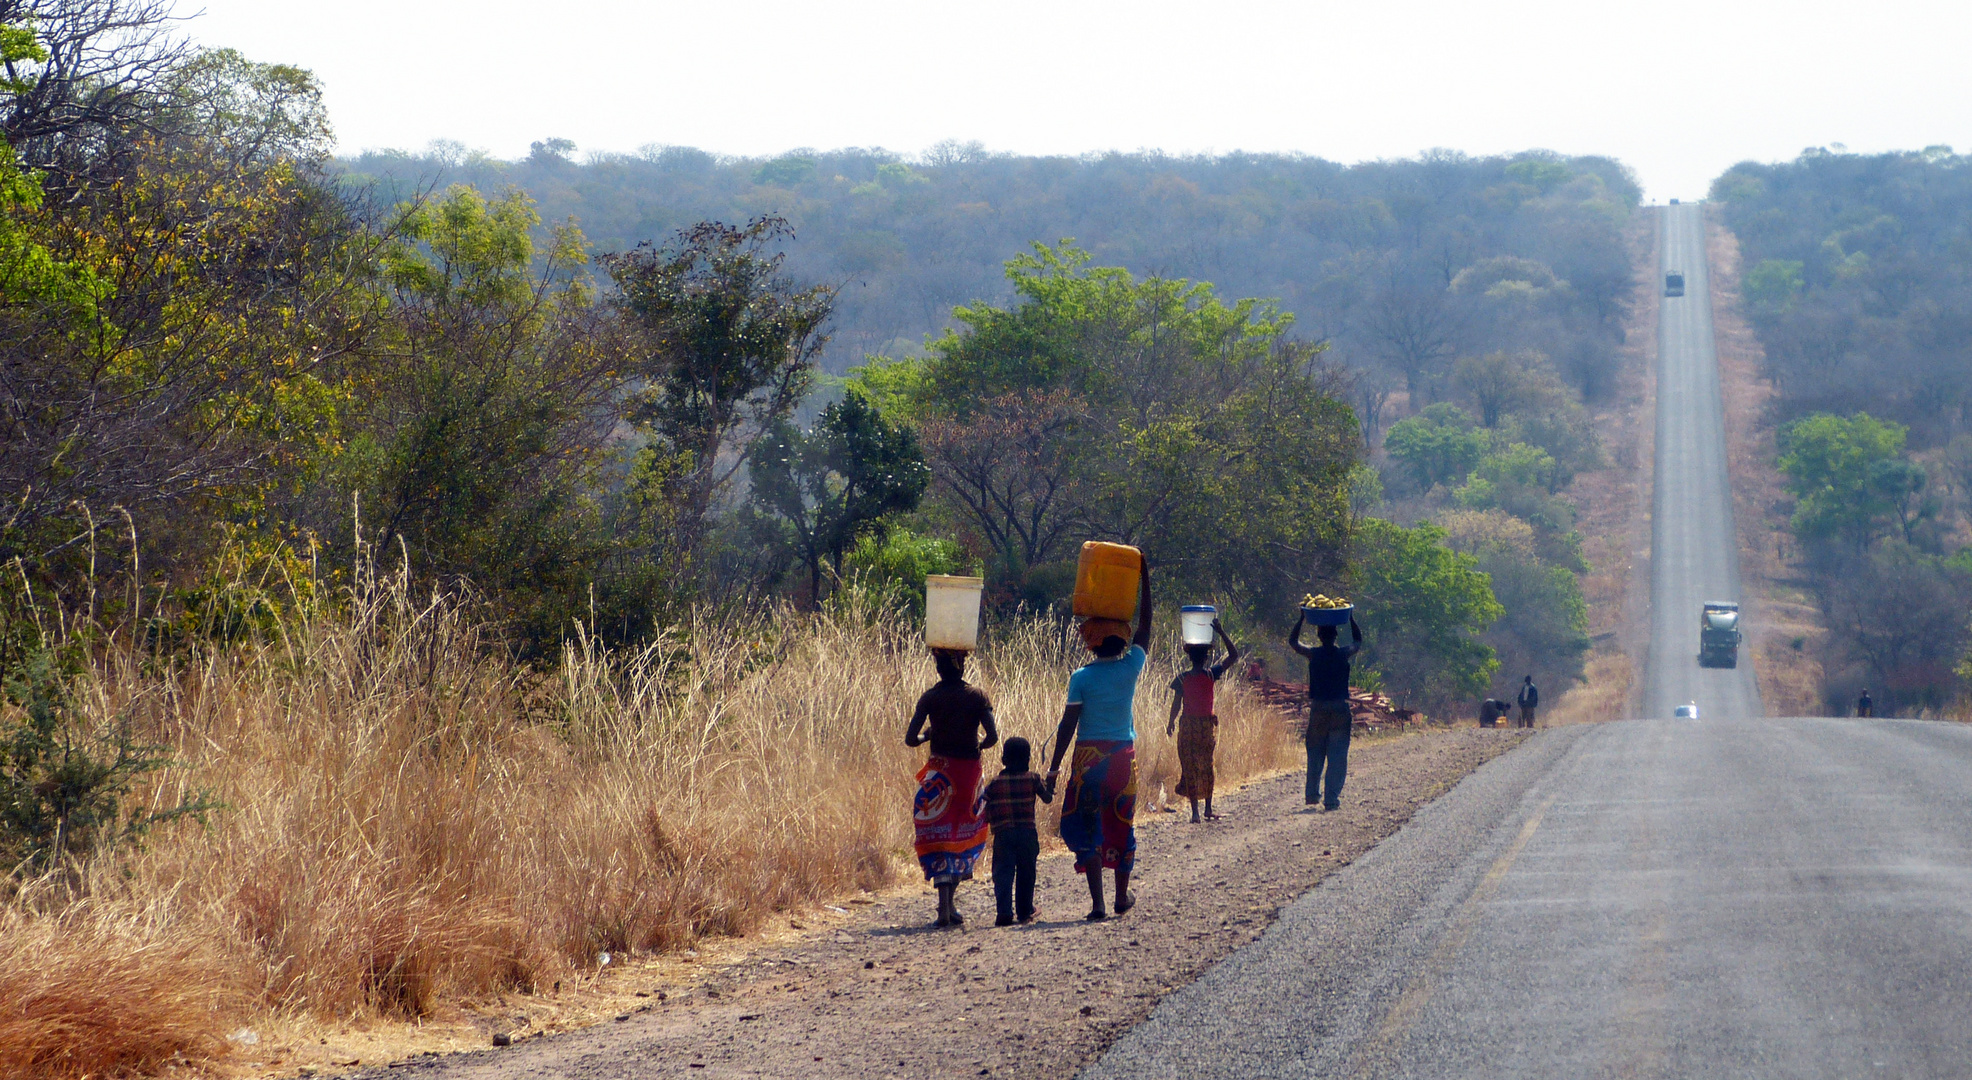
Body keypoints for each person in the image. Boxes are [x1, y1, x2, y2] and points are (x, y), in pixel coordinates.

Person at [1046, 554, 1153, 921]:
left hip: (1088, 761)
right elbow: (1145, 628)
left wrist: (1054, 768)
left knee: (1088, 825)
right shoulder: (1130, 668)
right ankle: (1122, 898)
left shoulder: (1081, 677)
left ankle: (1098, 904)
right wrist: (1145, 579)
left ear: (1090, 642)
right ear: (1122, 641)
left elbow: (1067, 726)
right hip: (1123, 758)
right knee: (1121, 823)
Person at [905, 649, 999, 928]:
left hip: (940, 774)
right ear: (962, 666)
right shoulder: (976, 696)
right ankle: (950, 905)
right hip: (967, 775)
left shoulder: (930, 697)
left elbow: (912, 739)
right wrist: (979, 745)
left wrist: (929, 735)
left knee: (940, 835)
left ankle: (944, 908)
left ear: (938, 668)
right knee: (961, 833)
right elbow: (992, 736)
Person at [1166, 619, 1240, 823]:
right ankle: (1208, 808)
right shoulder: (1211, 674)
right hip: (1206, 726)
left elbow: (1176, 703)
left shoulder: (1182, 678)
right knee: (1206, 765)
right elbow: (1233, 655)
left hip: (1188, 726)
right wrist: (1222, 632)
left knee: (1189, 766)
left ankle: (1196, 813)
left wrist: (1170, 722)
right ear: (1207, 657)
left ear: (1189, 657)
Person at [1290, 612, 1362, 811]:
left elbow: (1293, 642)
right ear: (1335, 636)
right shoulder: (1343, 653)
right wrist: (1352, 619)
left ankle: (1312, 794)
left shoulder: (1314, 654)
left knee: (1315, 751)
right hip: (1339, 707)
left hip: (1319, 707)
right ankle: (1331, 798)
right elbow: (1358, 641)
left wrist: (1301, 618)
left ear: (1320, 636)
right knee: (1337, 755)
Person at [983, 737, 1053, 926]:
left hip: (1003, 834)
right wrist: (1050, 783)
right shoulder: (1032, 778)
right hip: (1027, 833)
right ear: (1028, 759)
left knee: (1003, 873)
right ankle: (1024, 911)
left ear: (1003, 760)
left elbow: (982, 804)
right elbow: (1047, 798)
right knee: (1026, 872)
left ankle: (1004, 912)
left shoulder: (995, 783)